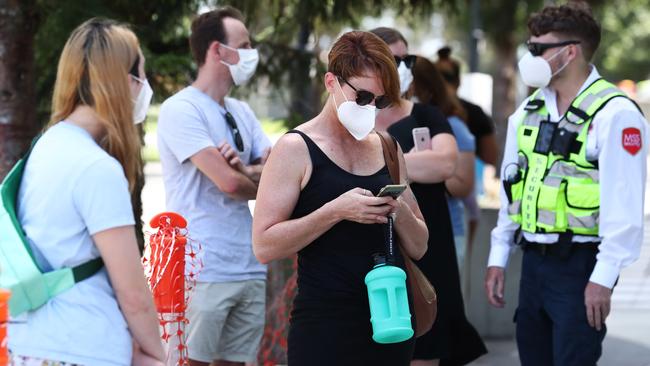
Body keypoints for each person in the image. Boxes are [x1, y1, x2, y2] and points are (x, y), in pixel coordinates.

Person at [252, 30, 428, 366]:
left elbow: (420, 245)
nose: (370, 108)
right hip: (325, 327)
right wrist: (335, 211)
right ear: (331, 82)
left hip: (390, 319)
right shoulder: (295, 148)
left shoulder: (388, 147)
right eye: (362, 97)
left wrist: (399, 209)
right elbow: (264, 245)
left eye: (380, 101)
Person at [485, 3, 647, 365]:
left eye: (537, 49)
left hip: (580, 266)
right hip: (533, 265)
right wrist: (498, 257)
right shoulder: (527, 112)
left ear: (569, 51)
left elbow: (625, 208)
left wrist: (602, 279)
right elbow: (515, 188)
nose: (530, 57)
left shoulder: (616, 115)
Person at [8, 18, 164, 366]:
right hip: (85, 344)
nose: (144, 87)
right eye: (141, 74)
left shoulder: (45, 146)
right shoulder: (96, 168)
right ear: (125, 81)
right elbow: (132, 291)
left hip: (32, 342)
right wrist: (157, 353)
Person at [157, 7, 271, 366]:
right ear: (217, 51)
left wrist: (246, 169)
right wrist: (253, 177)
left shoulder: (242, 111)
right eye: (244, 45)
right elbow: (227, 182)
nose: (252, 53)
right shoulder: (181, 109)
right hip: (202, 270)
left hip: (249, 266)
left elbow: (280, 172)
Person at [370, 27, 486, 366]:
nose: (402, 67)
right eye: (393, 59)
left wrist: (381, 162)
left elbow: (445, 164)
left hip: (428, 246)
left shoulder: (427, 115)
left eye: (408, 59)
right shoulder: (353, 119)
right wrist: (410, 163)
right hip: (371, 247)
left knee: (427, 343)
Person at [408, 55, 476, 271]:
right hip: (411, 233)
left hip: (445, 231)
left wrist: (422, 171)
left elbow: (464, 184)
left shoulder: (452, 126)